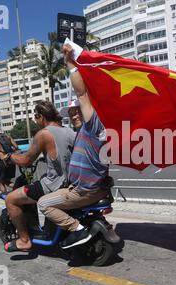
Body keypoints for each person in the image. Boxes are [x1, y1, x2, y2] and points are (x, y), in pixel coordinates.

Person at [37, 44, 111, 250]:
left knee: (43, 203)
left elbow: (82, 94)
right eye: (70, 113)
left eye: (77, 111)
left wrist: (70, 64)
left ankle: (78, 230)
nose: (74, 114)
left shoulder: (92, 125)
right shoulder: (83, 134)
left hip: (83, 192)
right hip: (93, 189)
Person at [3, 101, 76, 252]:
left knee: (11, 199)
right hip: (70, 183)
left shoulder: (44, 134)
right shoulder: (69, 131)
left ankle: (24, 240)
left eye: (36, 118)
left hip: (53, 185)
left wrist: (10, 157)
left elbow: (25, 160)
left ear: (40, 116)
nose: (36, 122)